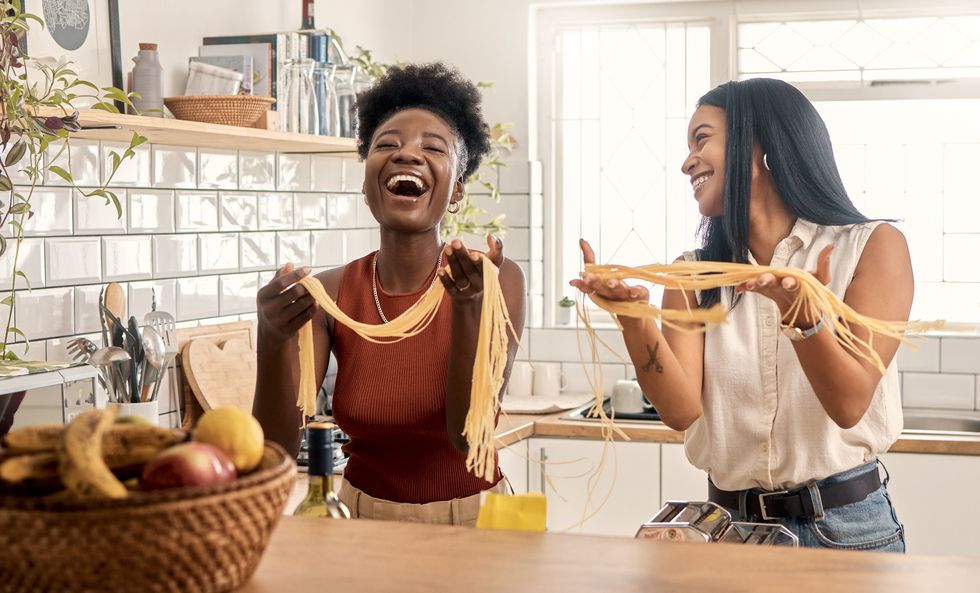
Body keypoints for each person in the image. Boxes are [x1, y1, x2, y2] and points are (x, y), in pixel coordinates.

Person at [571, 78, 911, 551]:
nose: (687, 161)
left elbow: (849, 403)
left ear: (760, 145)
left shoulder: (871, 247)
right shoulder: (693, 275)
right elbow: (680, 410)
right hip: (732, 529)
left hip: (847, 530)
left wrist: (803, 320)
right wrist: (633, 318)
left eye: (702, 138)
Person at [253, 63, 526, 526]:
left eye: (432, 148)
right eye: (387, 145)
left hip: (477, 524)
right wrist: (272, 335)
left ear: (457, 186)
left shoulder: (494, 281)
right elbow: (275, 448)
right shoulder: (333, 292)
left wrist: (468, 309)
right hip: (360, 521)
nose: (408, 155)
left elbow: (467, 437)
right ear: (366, 182)